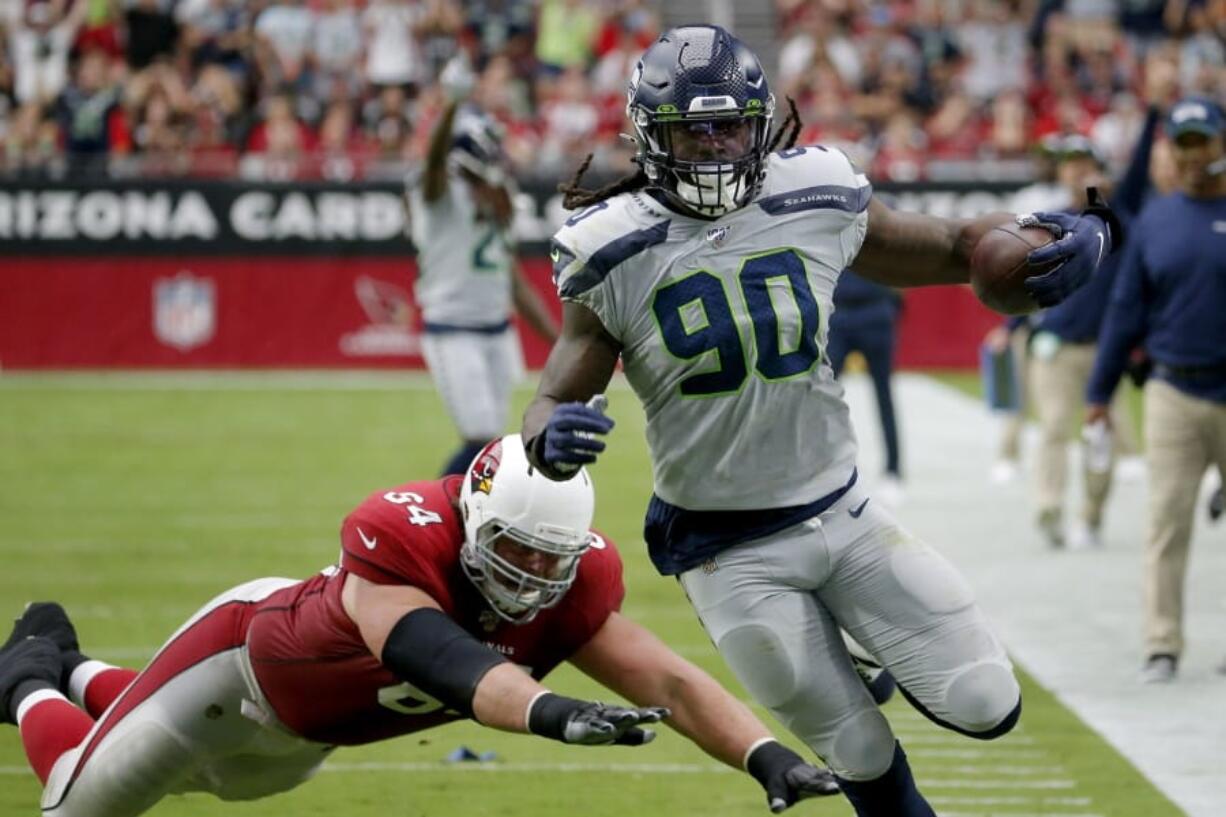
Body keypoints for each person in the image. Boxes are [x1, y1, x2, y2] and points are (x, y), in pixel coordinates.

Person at [520, 25, 1118, 817]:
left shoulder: (814, 188)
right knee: (861, 753)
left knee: (986, 700)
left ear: (761, 121)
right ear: (649, 135)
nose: (715, 147)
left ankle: (859, 637)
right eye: (691, 130)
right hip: (725, 546)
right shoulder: (610, 246)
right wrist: (549, 439)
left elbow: (953, 247)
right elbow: (552, 397)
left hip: (839, 507)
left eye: (730, 124)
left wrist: (1055, 234)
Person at [0, 435, 839, 817]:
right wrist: (550, 712)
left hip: (304, 738)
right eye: (518, 550)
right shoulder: (402, 536)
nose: (536, 577)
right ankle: (32, 675)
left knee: (213, 781)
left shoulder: (571, 583)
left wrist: (764, 756)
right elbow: (440, 658)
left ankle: (77, 671)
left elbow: (670, 681)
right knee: (79, 796)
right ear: (472, 516)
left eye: (555, 558)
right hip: (228, 672)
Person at [1086, 96, 1226, 684]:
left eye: (1203, 141)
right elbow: (1124, 314)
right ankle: (1162, 644)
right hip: (1172, 390)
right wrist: (1099, 395)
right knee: (1167, 522)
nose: (1194, 154)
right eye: (1183, 143)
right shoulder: (1156, 223)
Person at [408, 56, 559, 476]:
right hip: (452, 327)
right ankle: (430, 518)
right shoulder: (442, 195)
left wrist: (559, 342)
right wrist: (452, 105)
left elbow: (514, 282)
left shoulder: (499, 201)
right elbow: (434, 163)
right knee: (479, 439)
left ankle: (468, 522)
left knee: (494, 442)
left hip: (496, 329)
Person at [1022, 123, 1159, 550]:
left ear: (1100, 171)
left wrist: (1152, 114)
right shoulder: (1047, 221)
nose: (1075, 172)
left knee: (1101, 438)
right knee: (1054, 428)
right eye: (1069, 166)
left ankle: (1092, 515)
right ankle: (1049, 505)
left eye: (1084, 164)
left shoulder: (1117, 220)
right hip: (1057, 346)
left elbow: (1138, 174)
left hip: (1104, 350)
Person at [826, 269, 904, 506]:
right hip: (837, 312)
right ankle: (829, 470)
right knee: (824, 396)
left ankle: (893, 472)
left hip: (875, 311)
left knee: (884, 396)